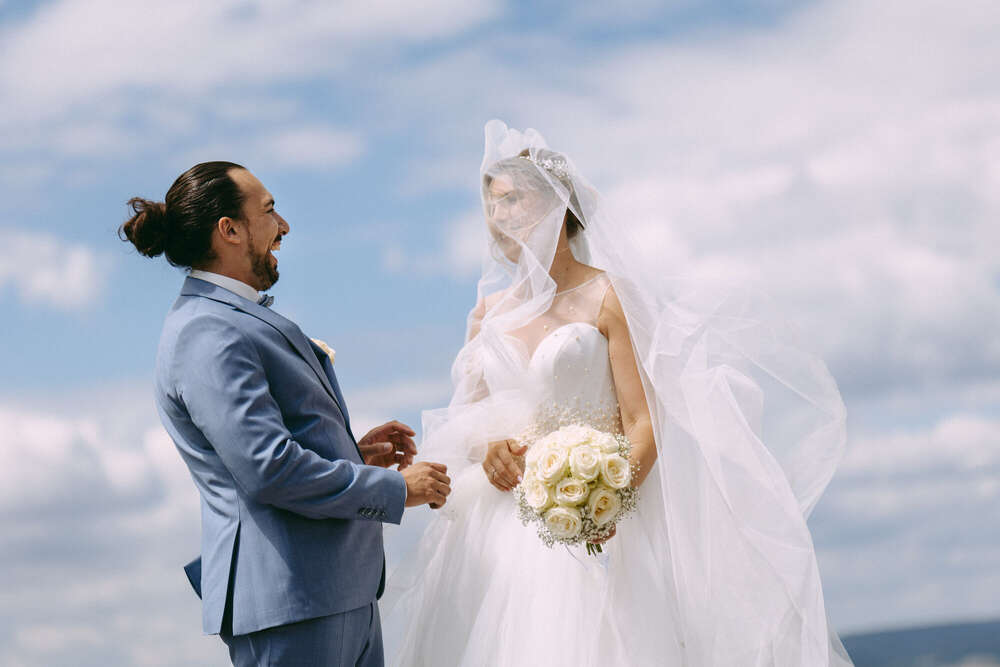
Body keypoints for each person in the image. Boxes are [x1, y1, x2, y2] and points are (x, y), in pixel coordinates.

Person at [382, 122, 853, 666]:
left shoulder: (607, 294)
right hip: (497, 529)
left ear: (556, 204)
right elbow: (469, 422)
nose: (501, 215)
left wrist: (603, 504)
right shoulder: (487, 314)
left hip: (596, 520)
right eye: (493, 204)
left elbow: (643, 421)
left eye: (513, 200)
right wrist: (488, 449)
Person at [119, 161, 451, 667]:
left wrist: (350, 452)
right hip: (294, 602)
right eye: (270, 210)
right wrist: (398, 490)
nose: (285, 226)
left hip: (331, 593)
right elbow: (267, 469)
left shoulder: (228, 320)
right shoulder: (207, 331)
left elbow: (260, 451)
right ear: (228, 230)